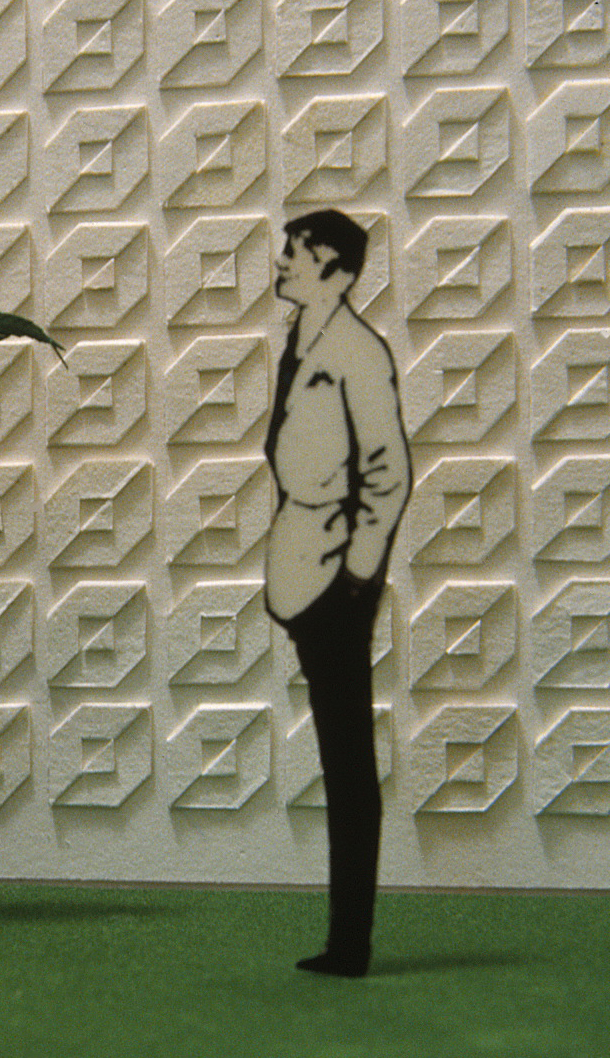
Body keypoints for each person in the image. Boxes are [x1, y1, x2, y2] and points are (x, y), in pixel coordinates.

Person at [265, 209, 410, 977]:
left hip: (336, 581)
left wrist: (357, 579)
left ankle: (350, 942)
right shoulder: (301, 340)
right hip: (302, 570)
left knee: (348, 760)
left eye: (300, 253)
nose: (284, 262)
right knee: (338, 753)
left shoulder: (357, 353)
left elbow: (387, 474)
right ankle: (344, 939)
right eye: (288, 250)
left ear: (339, 272)